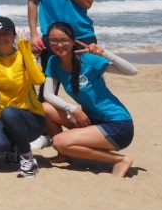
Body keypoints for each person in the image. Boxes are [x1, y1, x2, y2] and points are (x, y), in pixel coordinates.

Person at [42, 21, 136, 178]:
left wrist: (104, 53)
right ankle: (64, 155)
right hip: (91, 120)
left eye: (64, 40)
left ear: (73, 41)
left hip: (118, 125)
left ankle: (119, 160)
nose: (59, 45)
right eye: (54, 40)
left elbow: (132, 71)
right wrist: (73, 109)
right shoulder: (54, 61)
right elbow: (48, 94)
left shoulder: (88, 60)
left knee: (59, 142)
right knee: (46, 108)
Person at [0, 17, 45, 178]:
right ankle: (14, 147)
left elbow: (38, 79)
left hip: (30, 117)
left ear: (14, 35)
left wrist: (25, 48)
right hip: (1, 116)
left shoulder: (24, 55)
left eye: (6, 33)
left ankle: (27, 158)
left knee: (9, 112)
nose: (2, 37)